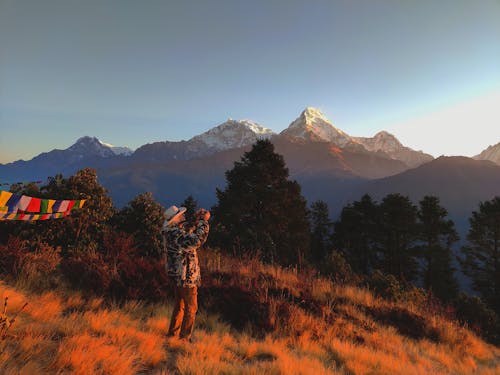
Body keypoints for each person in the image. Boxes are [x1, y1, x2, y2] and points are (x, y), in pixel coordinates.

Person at [162, 205, 210, 341]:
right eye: (181, 216)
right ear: (176, 220)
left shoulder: (171, 232)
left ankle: (172, 334)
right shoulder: (177, 235)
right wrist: (204, 222)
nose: (183, 217)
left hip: (177, 276)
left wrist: (196, 219)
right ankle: (184, 338)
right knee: (191, 307)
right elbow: (196, 240)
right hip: (186, 276)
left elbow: (187, 230)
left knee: (180, 305)